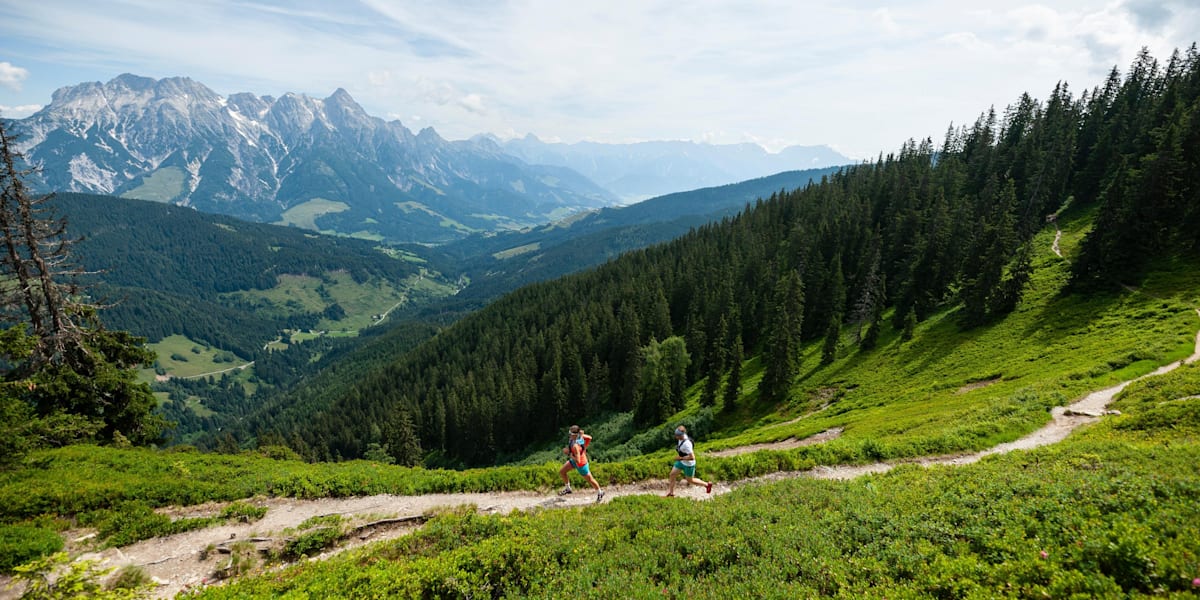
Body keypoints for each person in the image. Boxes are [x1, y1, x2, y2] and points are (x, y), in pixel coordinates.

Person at [558, 425, 604, 502]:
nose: (569, 435)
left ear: (574, 435)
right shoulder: (580, 437)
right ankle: (568, 488)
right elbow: (590, 438)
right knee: (562, 472)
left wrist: (568, 453)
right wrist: (583, 438)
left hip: (581, 464)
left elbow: (578, 460)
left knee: (590, 480)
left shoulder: (576, 446)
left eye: (571, 434)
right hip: (575, 460)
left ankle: (600, 492)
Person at [665, 425, 713, 497]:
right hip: (681, 462)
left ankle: (707, 485)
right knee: (672, 475)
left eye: (677, 435)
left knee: (690, 480)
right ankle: (671, 493)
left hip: (688, 464)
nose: (675, 437)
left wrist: (681, 458)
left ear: (681, 435)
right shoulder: (681, 437)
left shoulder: (687, 444)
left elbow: (692, 457)